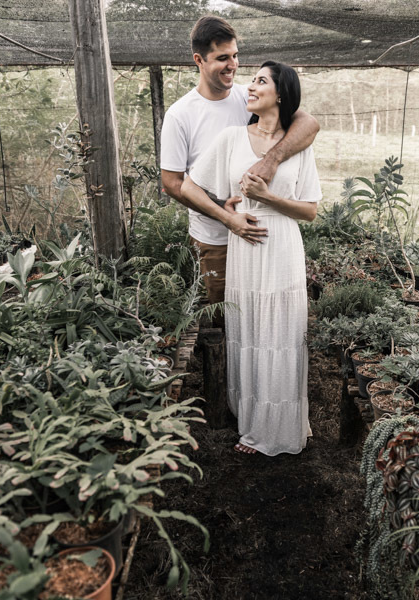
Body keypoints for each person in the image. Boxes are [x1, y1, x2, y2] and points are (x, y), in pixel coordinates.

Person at [181, 61, 321, 456]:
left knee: (283, 335)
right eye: (252, 80)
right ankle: (254, 422)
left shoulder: (298, 145)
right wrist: (227, 214)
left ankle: (282, 426)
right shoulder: (231, 138)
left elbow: (310, 210)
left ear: (281, 94)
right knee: (250, 333)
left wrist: (268, 197)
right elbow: (190, 187)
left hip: (282, 246)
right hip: (244, 246)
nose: (251, 86)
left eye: (261, 81)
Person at [160, 16, 319, 311]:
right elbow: (172, 184)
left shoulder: (249, 97)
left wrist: (272, 160)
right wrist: (226, 216)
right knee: (228, 315)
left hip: (265, 236)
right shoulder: (180, 115)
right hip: (215, 238)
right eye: (222, 58)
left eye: (235, 55)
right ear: (199, 60)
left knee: (269, 311)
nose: (232, 65)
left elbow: (308, 123)